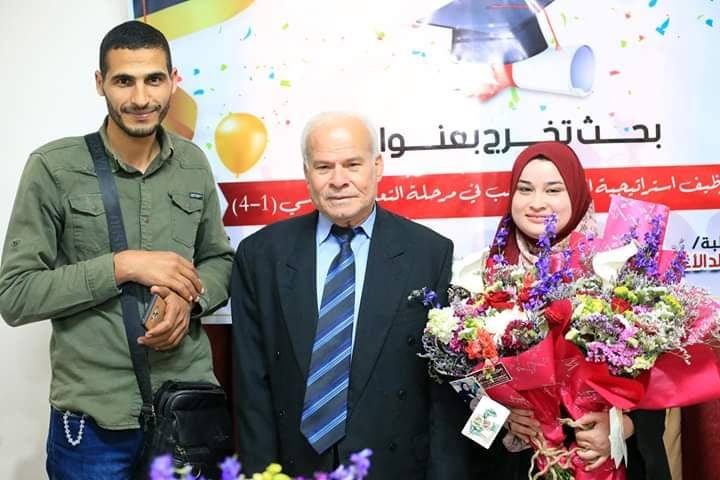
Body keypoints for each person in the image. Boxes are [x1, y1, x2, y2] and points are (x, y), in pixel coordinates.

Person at [0, 21, 233, 479]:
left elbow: (219, 259)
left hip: (185, 410)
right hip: (92, 423)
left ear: (173, 81)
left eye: (154, 79)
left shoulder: (193, 163)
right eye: (124, 80)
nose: (141, 98)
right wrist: (122, 266)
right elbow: (15, 295)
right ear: (100, 82)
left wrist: (190, 298)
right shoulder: (53, 167)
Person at [230, 111, 486, 478]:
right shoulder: (261, 255)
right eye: (324, 167)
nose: (339, 180)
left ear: (377, 167)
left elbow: (441, 394)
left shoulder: (428, 253)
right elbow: (251, 385)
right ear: (306, 173)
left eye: (352, 164)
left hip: (394, 466)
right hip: (295, 464)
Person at [485, 142, 671, 479]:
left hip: (608, 462)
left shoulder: (617, 269)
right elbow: (460, 387)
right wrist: (500, 416)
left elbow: (659, 377)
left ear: (576, 194)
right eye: (524, 189)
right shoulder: (483, 277)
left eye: (553, 190)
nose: (537, 202)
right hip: (519, 464)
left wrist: (621, 427)